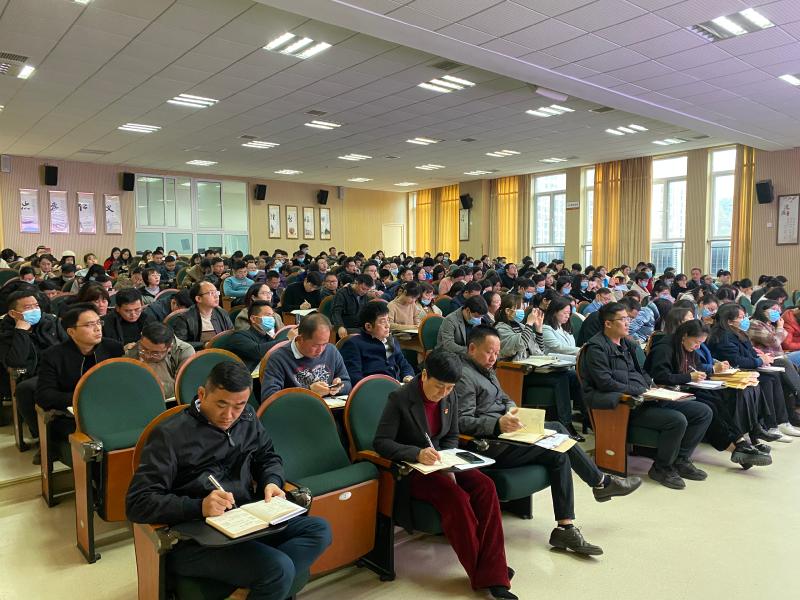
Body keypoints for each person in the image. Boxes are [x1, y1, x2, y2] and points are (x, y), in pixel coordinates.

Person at [126, 361, 331, 599]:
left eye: (239, 406)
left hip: (246, 520)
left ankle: (255, 587)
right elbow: (138, 503)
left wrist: (272, 481)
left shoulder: (247, 418)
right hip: (197, 537)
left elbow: (268, 457)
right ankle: (269, 581)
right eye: (221, 404)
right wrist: (199, 506)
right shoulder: (170, 435)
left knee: (320, 530)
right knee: (278, 569)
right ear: (202, 394)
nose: (229, 415)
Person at [455, 327, 640, 549]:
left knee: (558, 442)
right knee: (558, 448)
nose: (494, 358)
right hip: (489, 442)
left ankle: (565, 528)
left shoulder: (486, 368)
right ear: (472, 348)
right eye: (489, 352)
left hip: (507, 431)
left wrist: (511, 410)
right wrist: (497, 424)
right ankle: (602, 483)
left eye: (496, 353)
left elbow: (503, 397)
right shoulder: (464, 376)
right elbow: (461, 421)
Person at [373, 348, 517, 599]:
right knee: (456, 498)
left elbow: (452, 434)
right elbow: (381, 442)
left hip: (442, 462)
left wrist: (450, 459)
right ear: (424, 375)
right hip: (413, 470)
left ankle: (492, 568)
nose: (444, 393)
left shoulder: (450, 395)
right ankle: (489, 576)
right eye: (439, 387)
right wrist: (416, 453)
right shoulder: (400, 398)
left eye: (449, 388)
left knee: (485, 486)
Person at [581, 302, 713, 489]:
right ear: (608, 323)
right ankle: (661, 468)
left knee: (703, 412)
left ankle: (680, 460)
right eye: (623, 319)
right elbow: (605, 383)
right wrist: (639, 391)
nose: (628, 323)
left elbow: (641, 372)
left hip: (644, 398)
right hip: (623, 405)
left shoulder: (628, 344)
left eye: (628, 319)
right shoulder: (596, 348)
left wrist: (651, 387)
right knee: (676, 420)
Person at [645, 320, 771, 469]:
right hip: (664, 394)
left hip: (682, 388)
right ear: (685, 335)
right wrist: (689, 377)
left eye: (701, 343)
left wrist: (705, 371)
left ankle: (740, 443)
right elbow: (660, 376)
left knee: (715, 400)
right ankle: (739, 447)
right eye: (696, 342)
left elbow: (697, 366)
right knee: (708, 406)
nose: (698, 347)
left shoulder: (687, 347)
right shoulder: (664, 348)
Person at [36, 304, 124, 446]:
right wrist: (84, 399)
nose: (97, 328)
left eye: (98, 322)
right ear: (71, 332)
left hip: (111, 409)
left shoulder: (113, 348)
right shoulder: (53, 356)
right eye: (89, 325)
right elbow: (45, 395)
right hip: (73, 415)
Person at [707, 303, 798, 441]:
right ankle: (771, 425)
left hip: (746, 368)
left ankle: (782, 422)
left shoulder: (738, 332)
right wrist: (759, 361)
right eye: (741, 317)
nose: (745, 320)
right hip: (732, 373)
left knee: (776, 375)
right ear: (729, 321)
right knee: (768, 380)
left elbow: (750, 352)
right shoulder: (724, 336)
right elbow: (736, 360)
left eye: (745, 316)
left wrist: (760, 357)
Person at [0, 289, 68, 458]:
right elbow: (15, 361)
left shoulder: (50, 322)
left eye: (36, 306)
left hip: (62, 369)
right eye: (28, 307)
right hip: (35, 376)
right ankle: (46, 441)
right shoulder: (5, 332)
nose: (34, 310)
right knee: (25, 390)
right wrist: (21, 331)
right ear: (13, 313)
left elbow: (68, 346)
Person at [260, 314, 351, 401]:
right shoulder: (279, 358)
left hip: (330, 408)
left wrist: (338, 387)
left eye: (324, 344)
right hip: (297, 409)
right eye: (315, 345)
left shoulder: (331, 350)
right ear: (300, 339)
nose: (321, 350)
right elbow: (269, 397)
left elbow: (347, 383)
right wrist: (309, 391)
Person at [339, 301, 414, 384]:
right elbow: (354, 376)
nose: (387, 325)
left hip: (398, 386)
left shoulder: (391, 340)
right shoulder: (354, 344)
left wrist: (408, 376)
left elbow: (403, 364)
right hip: (373, 388)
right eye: (383, 322)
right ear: (368, 326)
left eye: (388, 320)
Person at [125, 322, 194, 399]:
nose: (147, 356)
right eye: (144, 349)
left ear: (169, 348)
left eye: (155, 353)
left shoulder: (184, 351)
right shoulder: (134, 349)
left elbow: (182, 386)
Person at [228, 301, 291, 372]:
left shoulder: (267, 337)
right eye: (268, 315)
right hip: (245, 376)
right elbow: (257, 352)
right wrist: (288, 338)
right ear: (253, 319)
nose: (272, 319)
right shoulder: (239, 336)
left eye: (272, 316)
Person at [172, 281, 234, 350]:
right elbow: (179, 344)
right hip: (197, 354)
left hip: (222, 352)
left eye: (216, 292)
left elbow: (232, 335)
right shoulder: (184, 318)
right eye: (211, 293)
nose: (216, 296)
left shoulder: (222, 313)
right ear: (198, 299)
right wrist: (204, 345)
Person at [331, 274, 373, 339]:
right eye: (363, 289)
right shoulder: (342, 293)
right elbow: (336, 312)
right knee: (363, 334)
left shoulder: (365, 296)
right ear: (356, 283)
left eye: (367, 290)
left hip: (360, 326)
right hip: (346, 326)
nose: (364, 292)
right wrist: (340, 326)